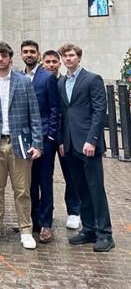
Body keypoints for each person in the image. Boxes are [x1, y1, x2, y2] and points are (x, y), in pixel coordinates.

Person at [0, 42, 43, 250]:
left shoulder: (24, 82)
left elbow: (35, 115)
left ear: (10, 59)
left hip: (19, 144)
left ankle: (25, 230)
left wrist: (37, 143)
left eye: (4, 55)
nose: (1, 59)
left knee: (22, 190)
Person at [57, 43, 114, 252]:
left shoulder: (92, 79)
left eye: (71, 55)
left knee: (96, 189)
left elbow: (100, 111)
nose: (68, 59)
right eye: (65, 56)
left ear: (79, 57)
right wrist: (62, 141)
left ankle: (105, 233)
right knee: (81, 189)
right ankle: (89, 229)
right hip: (70, 145)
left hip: (89, 144)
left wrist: (93, 139)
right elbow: (63, 113)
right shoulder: (61, 82)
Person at [20, 40, 60, 244]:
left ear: (38, 54)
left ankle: (46, 224)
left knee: (45, 180)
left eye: (32, 52)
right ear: (21, 54)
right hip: (24, 139)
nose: (29, 54)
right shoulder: (18, 77)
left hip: (44, 138)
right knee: (29, 181)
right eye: (25, 51)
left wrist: (51, 135)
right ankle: (33, 220)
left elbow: (54, 109)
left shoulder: (47, 78)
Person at [42, 49, 81, 230]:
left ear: (59, 64)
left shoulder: (66, 82)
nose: (51, 65)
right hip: (48, 136)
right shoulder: (42, 81)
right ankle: (44, 214)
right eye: (47, 62)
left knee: (70, 174)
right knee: (45, 177)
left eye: (54, 62)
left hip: (66, 136)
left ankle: (74, 211)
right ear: (43, 63)